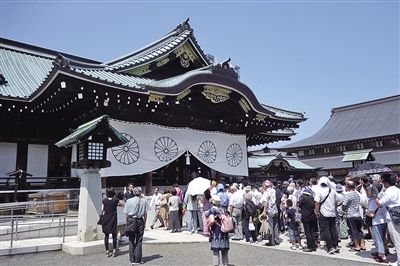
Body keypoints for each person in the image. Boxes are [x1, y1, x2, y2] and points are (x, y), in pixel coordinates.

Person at [375, 173, 400, 266]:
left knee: (396, 239)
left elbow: (380, 203)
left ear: (385, 181)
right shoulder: (397, 189)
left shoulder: (389, 191)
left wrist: (374, 197)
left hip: (393, 217)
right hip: (398, 214)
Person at [315, 176, 342, 254]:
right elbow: (338, 201)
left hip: (323, 212)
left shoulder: (319, 191)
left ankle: (330, 247)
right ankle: (336, 245)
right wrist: (334, 206)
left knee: (326, 230)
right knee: (333, 229)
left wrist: (317, 211)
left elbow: (317, 202)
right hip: (332, 213)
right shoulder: (332, 190)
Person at [124, 187, 149, 265]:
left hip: (131, 220)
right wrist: (145, 222)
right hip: (140, 220)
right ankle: (138, 259)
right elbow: (145, 213)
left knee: (131, 239)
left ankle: (132, 259)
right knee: (139, 240)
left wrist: (126, 222)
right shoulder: (144, 201)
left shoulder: (129, 201)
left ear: (134, 193)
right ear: (141, 193)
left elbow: (126, 213)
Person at [206, 195, 230, 266]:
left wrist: (208, 226)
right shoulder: (222, 209)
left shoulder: (212, 210)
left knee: (216, 252)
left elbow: (212, 220)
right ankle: (225, 264)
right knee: (224, 251)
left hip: (216, 231)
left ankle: (216, 265)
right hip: (224, 230)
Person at [342, 181, 366, 252]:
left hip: (351, 214)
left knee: (353, 230)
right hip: (358, 214)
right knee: (359, 230)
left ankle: (357, 246)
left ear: (348, 186)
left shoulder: (348, 195)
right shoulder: (357, 194)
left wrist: (344, 209)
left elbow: (344, 204)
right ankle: (362, 244)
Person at [102, 187, 120, 257]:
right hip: (113, 219)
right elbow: (122, 204)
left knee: (106, 236)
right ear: (113, 193)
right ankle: (114, 250)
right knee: (114, 235)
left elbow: (102, 209)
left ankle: (107, 251)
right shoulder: (116, 200)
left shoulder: (104, 200)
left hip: (106, 219)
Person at [299, 187, 318, 252]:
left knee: (307, 232)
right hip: (312, 216)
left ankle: (310, 246)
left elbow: (299, 205)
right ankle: (313, 246)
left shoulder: (303, 198)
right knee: (312, 232)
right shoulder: (312, 198)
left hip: (305, 217)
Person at [261, 180, 279, 246]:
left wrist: (264, 211)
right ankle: (276, 240)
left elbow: (266, 202)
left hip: (270, 211)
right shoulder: (273, 190)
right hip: (275, 209)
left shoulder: (266, 192)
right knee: (275, 226)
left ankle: (271, 242)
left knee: (270, 226)